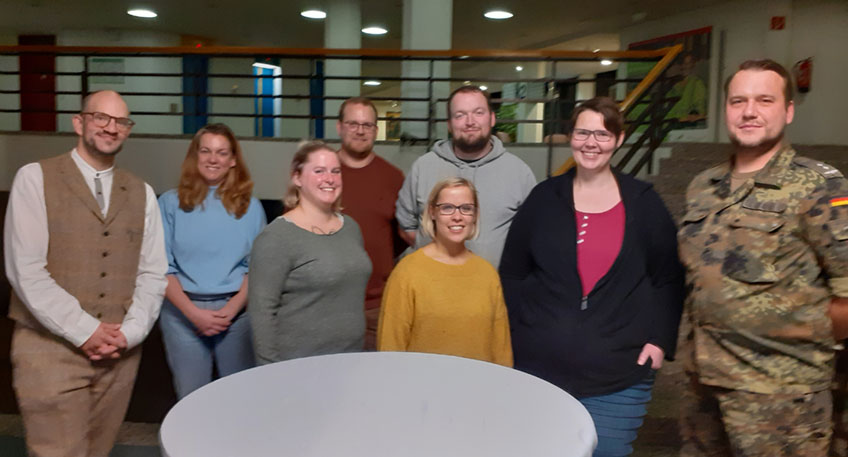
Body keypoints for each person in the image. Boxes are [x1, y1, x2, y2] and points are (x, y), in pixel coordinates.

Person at [678, 59, 848, 457]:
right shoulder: (703, 186)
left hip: (782, 398)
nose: (749, 111)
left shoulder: (821, 187)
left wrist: (797, 341)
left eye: (764, 100)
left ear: (788, 110)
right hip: (704, 384)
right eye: (738, 100)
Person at [500, 96, 684, 457]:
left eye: (602, 134)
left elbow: (669, 279)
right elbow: (512, 273)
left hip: (620, 374)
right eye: (582, 132)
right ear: (570, 136)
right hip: (539, 371)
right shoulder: (543, 198)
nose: (591, 143)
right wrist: (521, 331)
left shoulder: (644, 203)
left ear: (618, 139)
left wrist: (660, 340)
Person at [4, 90, 168, 457]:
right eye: (101, 118)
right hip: (48, 351)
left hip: (118, 357)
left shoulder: (142, 192)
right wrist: (85, 331)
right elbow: (26, 270)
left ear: (128, 130)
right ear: (79, 122)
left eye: (121, 121)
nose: (111, 128)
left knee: (98, 451)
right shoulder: (35, 178)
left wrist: (129, 333)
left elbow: (153, 273)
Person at [157, 123, 266, 399]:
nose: (213, 159)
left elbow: (258, 268)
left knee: (239, 398)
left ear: (232, 160)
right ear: (195, 156)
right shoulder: (170, 204)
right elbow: (161, 268)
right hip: (182, 314)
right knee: (191, 399)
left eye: (221, 152)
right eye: (205, 151)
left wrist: (230, 311)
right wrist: (194, 314)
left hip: (237, 314)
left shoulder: (250, 207)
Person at [248, 141, 372, 364]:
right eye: (319, 171)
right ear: (297, 177)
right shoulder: (276, 238)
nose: (330, 178)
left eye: (335, 171)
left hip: (350, 357)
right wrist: (269, 373)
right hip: (298, 364)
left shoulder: (351, 228)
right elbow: (261, 314)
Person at [395, 85, 536, 268]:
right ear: (449, 124)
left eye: (478, 112)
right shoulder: (423, 167)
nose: (470, 122)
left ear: (492, 118)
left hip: (494, 289)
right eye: (460, 115)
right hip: (432, 286)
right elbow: (406, 226)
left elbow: (531, 235)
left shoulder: (519, 172)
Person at [377, 178, 512, 367]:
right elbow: (390, 347)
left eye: (466, 208)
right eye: (447, 207)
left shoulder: (487, 274)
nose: (457, 216)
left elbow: (501, 347)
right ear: (433, 212)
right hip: (423, 391)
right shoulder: (407, 272)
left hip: (479, 389)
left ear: (475, 215)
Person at [336, 97, 405, 350]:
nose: (360, 130)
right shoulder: (320, 173)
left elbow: (399, 237)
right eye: (353, 123)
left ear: (376, 130)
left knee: (374, 382)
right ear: (339, 127)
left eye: (367, 125)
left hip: (376, 305)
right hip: (327, 304)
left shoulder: (393, 177)